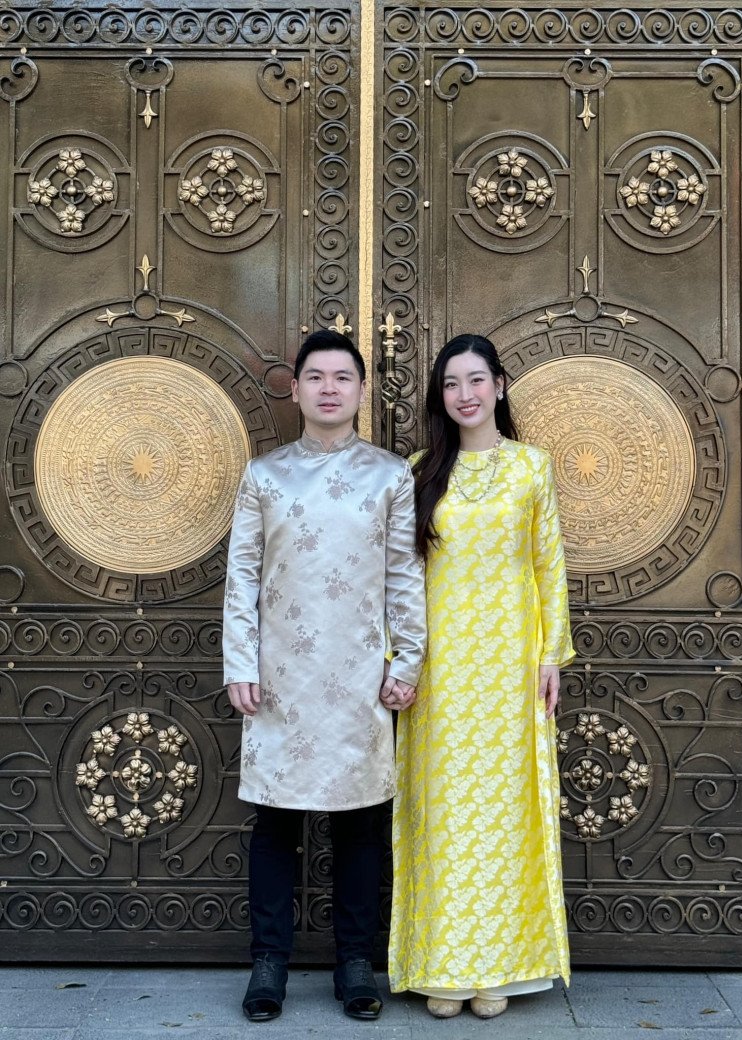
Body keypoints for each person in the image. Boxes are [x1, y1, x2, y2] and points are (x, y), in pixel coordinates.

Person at [223, 329, 426, 1023]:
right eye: (317, 376)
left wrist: (408, 661)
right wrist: (240, 662)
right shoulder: (265, 475)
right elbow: (242, 576)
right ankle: (268, 964)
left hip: (360, 673)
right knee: (276, 821)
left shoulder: (390, 476)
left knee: (361, 823)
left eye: (343, 377)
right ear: (297, 388)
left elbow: (404, 575)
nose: (330, 388)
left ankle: (355, 964)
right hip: (279, 675)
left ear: (362, 390)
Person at [386, 333, 574, 1019]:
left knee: (505, 813)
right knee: (442, 812)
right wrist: (400, 659)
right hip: (440, 668)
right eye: (450, 384)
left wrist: (551, 654)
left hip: (508, 667)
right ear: (441, 397)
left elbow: (548, 563)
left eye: (475, 380)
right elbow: (401, 574)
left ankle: (499, 968)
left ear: (499, 385)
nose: (463, 395)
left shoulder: (531, 466)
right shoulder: (418, 470)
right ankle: (444, 965)